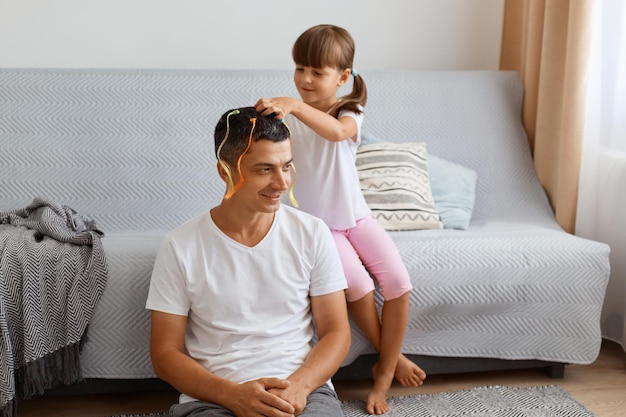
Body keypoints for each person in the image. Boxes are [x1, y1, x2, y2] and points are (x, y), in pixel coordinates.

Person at [255, 24, 426, 415]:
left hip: (358, 218)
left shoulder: (349, 111)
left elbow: (336, 133)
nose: (305, 80)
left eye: (318, 72)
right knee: (359, 287)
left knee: (399, 283)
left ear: (343, 77)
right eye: (300, 69)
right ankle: (390, 360)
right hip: (321, 228)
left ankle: (384, 370)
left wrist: (296, 106)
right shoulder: (287, 120)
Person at [146, 106, 351, 417]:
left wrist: (300, 386)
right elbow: (164, 354)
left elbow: (337, 332)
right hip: (215, 395)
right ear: (224, 171)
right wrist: (232, 395)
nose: (282, 183)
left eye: (287, 167)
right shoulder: (180, 246)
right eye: (264, 169)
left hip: (301, 390)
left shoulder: (312, 233)